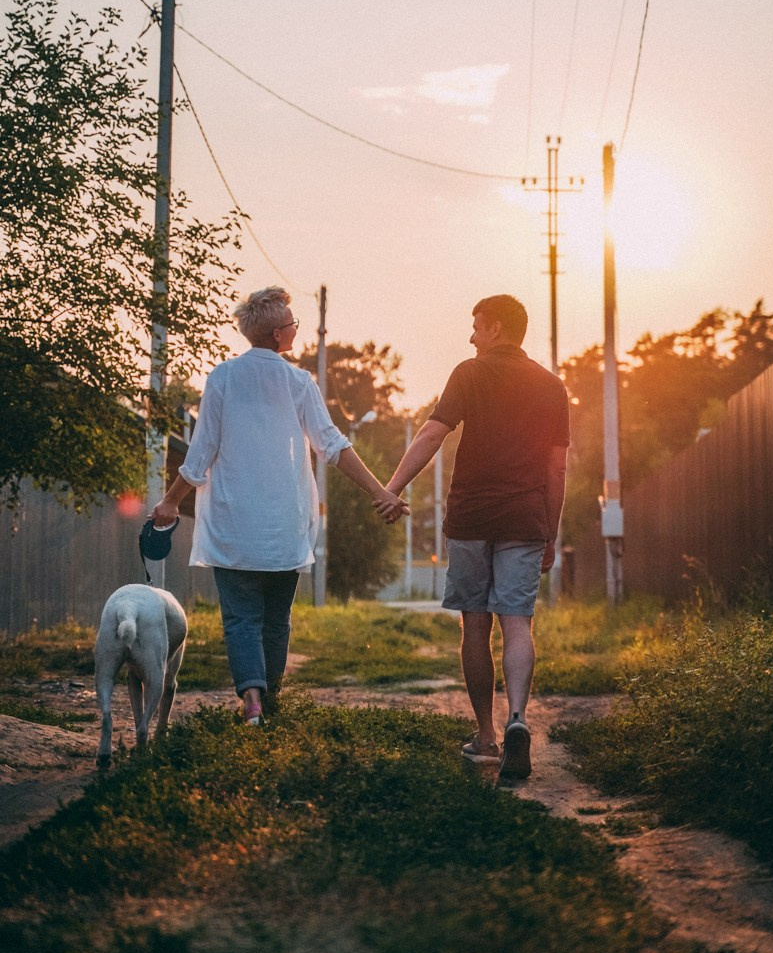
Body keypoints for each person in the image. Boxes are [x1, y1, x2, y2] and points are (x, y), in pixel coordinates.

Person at [152, 286, 407, 725]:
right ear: (276, 334)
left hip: (233, 526)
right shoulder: (299, 382)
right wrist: (378, 490)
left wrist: (170, 502)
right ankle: (270, 702)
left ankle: (252, 700)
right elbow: (332, 446)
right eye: (292, 324)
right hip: (284, 527)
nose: (294, 329)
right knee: (275, 621)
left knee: (241, 619)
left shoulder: (223, 377)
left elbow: (201, 452)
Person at [375, 294, 569, 779]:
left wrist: (391, 489)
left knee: (476, 626)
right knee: (518, 623)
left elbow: (431, 434)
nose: (471, 336)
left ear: (497, 328)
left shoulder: (469, 373)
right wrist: (550, 530)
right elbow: (557, 468)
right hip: (525, 518)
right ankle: (518, 718)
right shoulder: (552, 386)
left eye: (477, 326)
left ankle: (486, 736)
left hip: (471, 517)